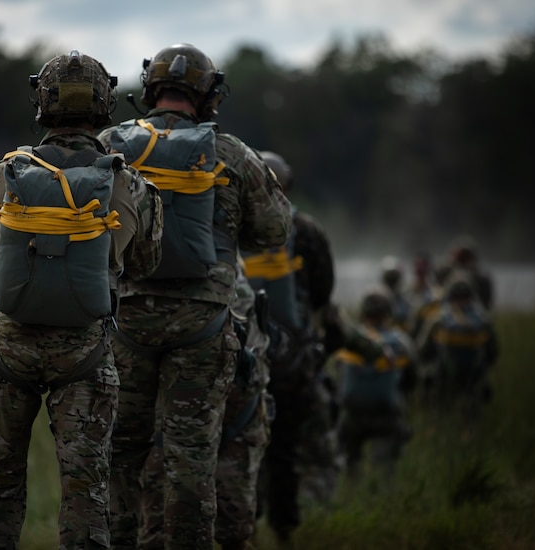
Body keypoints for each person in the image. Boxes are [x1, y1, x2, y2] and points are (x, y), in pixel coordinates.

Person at [0, 50, 163, 549]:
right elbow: (144, 266)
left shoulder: (1, 174)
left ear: (42, 104)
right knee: (86, 491)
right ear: (104, 104)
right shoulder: (129, 182)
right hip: (84, 354)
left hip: (7, 348)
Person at [98, 43, 292, 549]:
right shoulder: (230, 153)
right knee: (190, 461)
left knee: (120, 458)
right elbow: (274, 230)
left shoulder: (110, 147)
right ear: (208, 95)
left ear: (150, 89)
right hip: (202, 326)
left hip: (127, 323)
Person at [137, 259, 273, 550]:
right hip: (234, 421)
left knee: (158, 528)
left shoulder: (161, 303)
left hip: (176, 427)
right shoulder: (241, 296)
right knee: (233, 529)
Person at [242, 150, 337, 540]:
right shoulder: (308, 232)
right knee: (285, 448)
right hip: (293, 360)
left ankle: (242, 526)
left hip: (242, 355)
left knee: (238, 445)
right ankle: (284, 529)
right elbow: (321, 293)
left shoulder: (230, 226)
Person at [332, 287, 417, 485]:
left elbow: (338, 374)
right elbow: (412, 378)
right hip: (386, 415)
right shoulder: (401, 342)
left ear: (363, 312)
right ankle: (384, 499)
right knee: (384, 467)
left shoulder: (351, 340)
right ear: (389, 313)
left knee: (349, 464)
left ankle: (351, 496)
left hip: (352, 414)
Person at [416, 273, 499, 422]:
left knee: (442, 414)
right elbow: (493, 352)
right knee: (472, 418)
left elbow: (422, 348)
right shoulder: (482, 319)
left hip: (444, 376)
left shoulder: (439, 318)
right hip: (474, 378)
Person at [435, 234, 494, 310]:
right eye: (461, 257)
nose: (463, 261)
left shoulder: (480, 276)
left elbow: (486, 301)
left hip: (472, 307)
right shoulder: (446, 270)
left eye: (466, 256)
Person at [379, 255, 411, 330]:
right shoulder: (378, 300)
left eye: (393, 277)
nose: (391, 280)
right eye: (389, 278)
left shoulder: (405, 301)